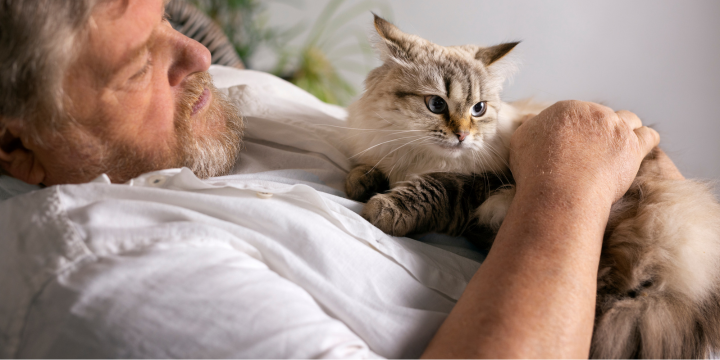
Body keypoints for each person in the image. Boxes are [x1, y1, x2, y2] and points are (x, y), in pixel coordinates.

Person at [0, 0, 676, 358]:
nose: (197, 52)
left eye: (165, 18)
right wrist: (571, 192)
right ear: (16, 143)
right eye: (137, 66)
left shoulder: (205, 100)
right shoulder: (105, 274)